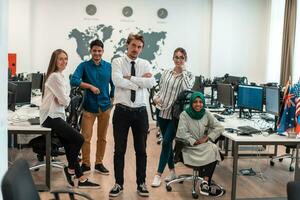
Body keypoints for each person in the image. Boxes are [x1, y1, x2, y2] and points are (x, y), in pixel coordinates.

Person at [40, 49, 100, 188]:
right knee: (79, 139)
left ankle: (81, 179)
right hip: (50, 116)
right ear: (54, 61)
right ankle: (70, 169)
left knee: (68, 145)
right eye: (60, 59)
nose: (64, 62)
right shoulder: (54, 77)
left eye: (66, 59)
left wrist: (63, 98)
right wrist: (64, 98)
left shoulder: (62, 76)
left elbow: (64, 100)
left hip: (58, 115)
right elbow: (65, 101)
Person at [109, 33, 156, 197]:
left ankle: (141, 183)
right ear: (127, 45)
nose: (136, 49)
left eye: (139, 47)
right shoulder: (117, 61)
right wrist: (138, 83)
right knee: (119, 150)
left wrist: (130, 78)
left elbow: (151, 82)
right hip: (122, 111)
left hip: (141, 113)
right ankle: (118, 184)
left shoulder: (145, 63)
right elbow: (117, 81)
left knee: (141, 150)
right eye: (133, 45)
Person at [151, 47, 194, 187]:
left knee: (165, 142)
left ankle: (158, 175)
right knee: (167, 143)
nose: (178, 60)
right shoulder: (166, 73)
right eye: (176, 57)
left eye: (181, 57)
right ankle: (172, 171)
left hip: (175, 115)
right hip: (161, 111)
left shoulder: (188, 76)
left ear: (185, 59)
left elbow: (187, 88)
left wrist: (183, 71)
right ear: (173, 58)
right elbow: (161, 90)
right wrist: (155, 98)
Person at [70, 39, 114, 175]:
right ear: (91, 51)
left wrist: (112, 98)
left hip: (105, 107)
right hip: (89, 107)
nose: (97, 53)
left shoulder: (108, 66)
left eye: (99, 51)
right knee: (86, 137)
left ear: (103, 51)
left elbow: (114, 84)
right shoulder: (84, 66)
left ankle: (99, 163)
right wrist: (89, 86)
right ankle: (86, 163)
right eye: (94, 50)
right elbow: (74, 80)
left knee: (102, 137)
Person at [176, 92, 225, 197]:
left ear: (203, 102)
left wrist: (208, 137)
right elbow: (181, 133)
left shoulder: (206, 113)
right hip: (189, 147)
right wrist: (195, 141)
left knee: (214, 148)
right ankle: (205, 183)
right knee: (212, 150)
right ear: (191, 103)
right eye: (195, 102)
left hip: (203, 145)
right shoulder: (184, 115)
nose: (198, 104)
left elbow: (219, 127)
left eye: (200, 102)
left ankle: (205, 183)